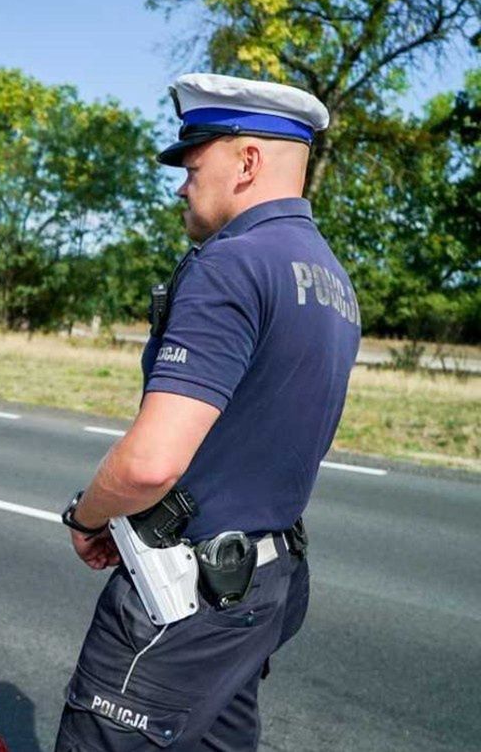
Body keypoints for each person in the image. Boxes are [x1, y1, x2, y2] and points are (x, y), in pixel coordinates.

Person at [55, 73, 361, 750]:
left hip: (183, 599)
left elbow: (150, 462)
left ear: (247, 162)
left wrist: (88, 515)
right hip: (262, 588)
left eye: (194, 166)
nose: (181, 185)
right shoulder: (332, 279)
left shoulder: (231, 264)